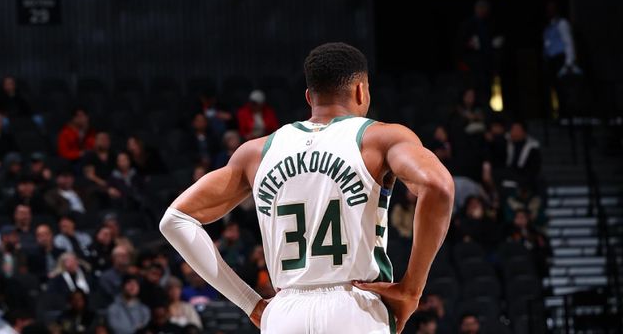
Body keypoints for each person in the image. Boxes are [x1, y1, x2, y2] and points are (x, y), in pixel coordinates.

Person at [160, 42, 454, 333]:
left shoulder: (257, 152)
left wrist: (250, 302)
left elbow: (174, 220)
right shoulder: (379, 138)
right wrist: (411, 290)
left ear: (309, 97)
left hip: (285, 312)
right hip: (355, 307)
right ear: (361, 90)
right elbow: (437, 185)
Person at [542, 1, 578, 115]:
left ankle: (569, 114)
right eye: (548, 9)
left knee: (566, 89)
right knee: (556, 89)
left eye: (552, 8)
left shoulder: (562, 23)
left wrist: (569, 62)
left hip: (561, 60)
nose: (549, 11)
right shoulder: (549, 27)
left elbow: (568, 42)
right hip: (552, 60)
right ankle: (561, 113)